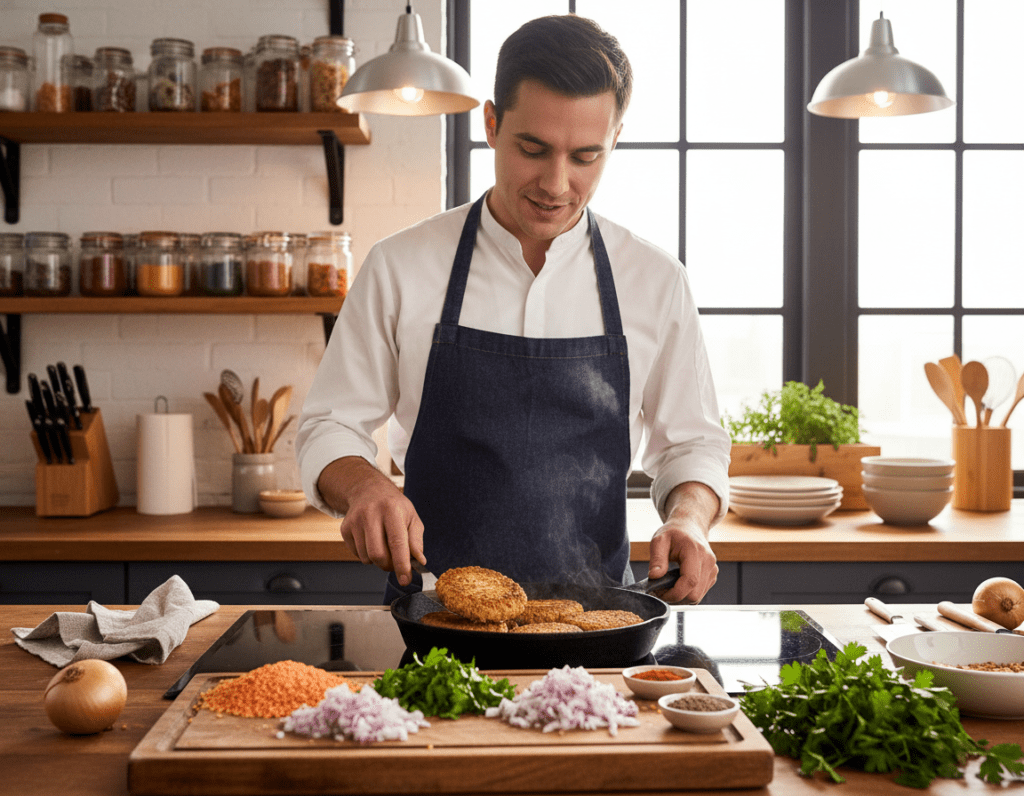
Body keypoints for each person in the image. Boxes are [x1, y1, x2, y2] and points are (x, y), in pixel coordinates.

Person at [296, 14, 730, 605]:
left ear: (615, 141)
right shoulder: (400, 266)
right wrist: (366, 486)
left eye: (586, 156)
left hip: (597, 623)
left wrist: (689, 520)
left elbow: (693, 445)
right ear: (492, 124)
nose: (557, 182)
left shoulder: (656, 281)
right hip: (436, 620)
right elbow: (330, 425)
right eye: (534, 149)